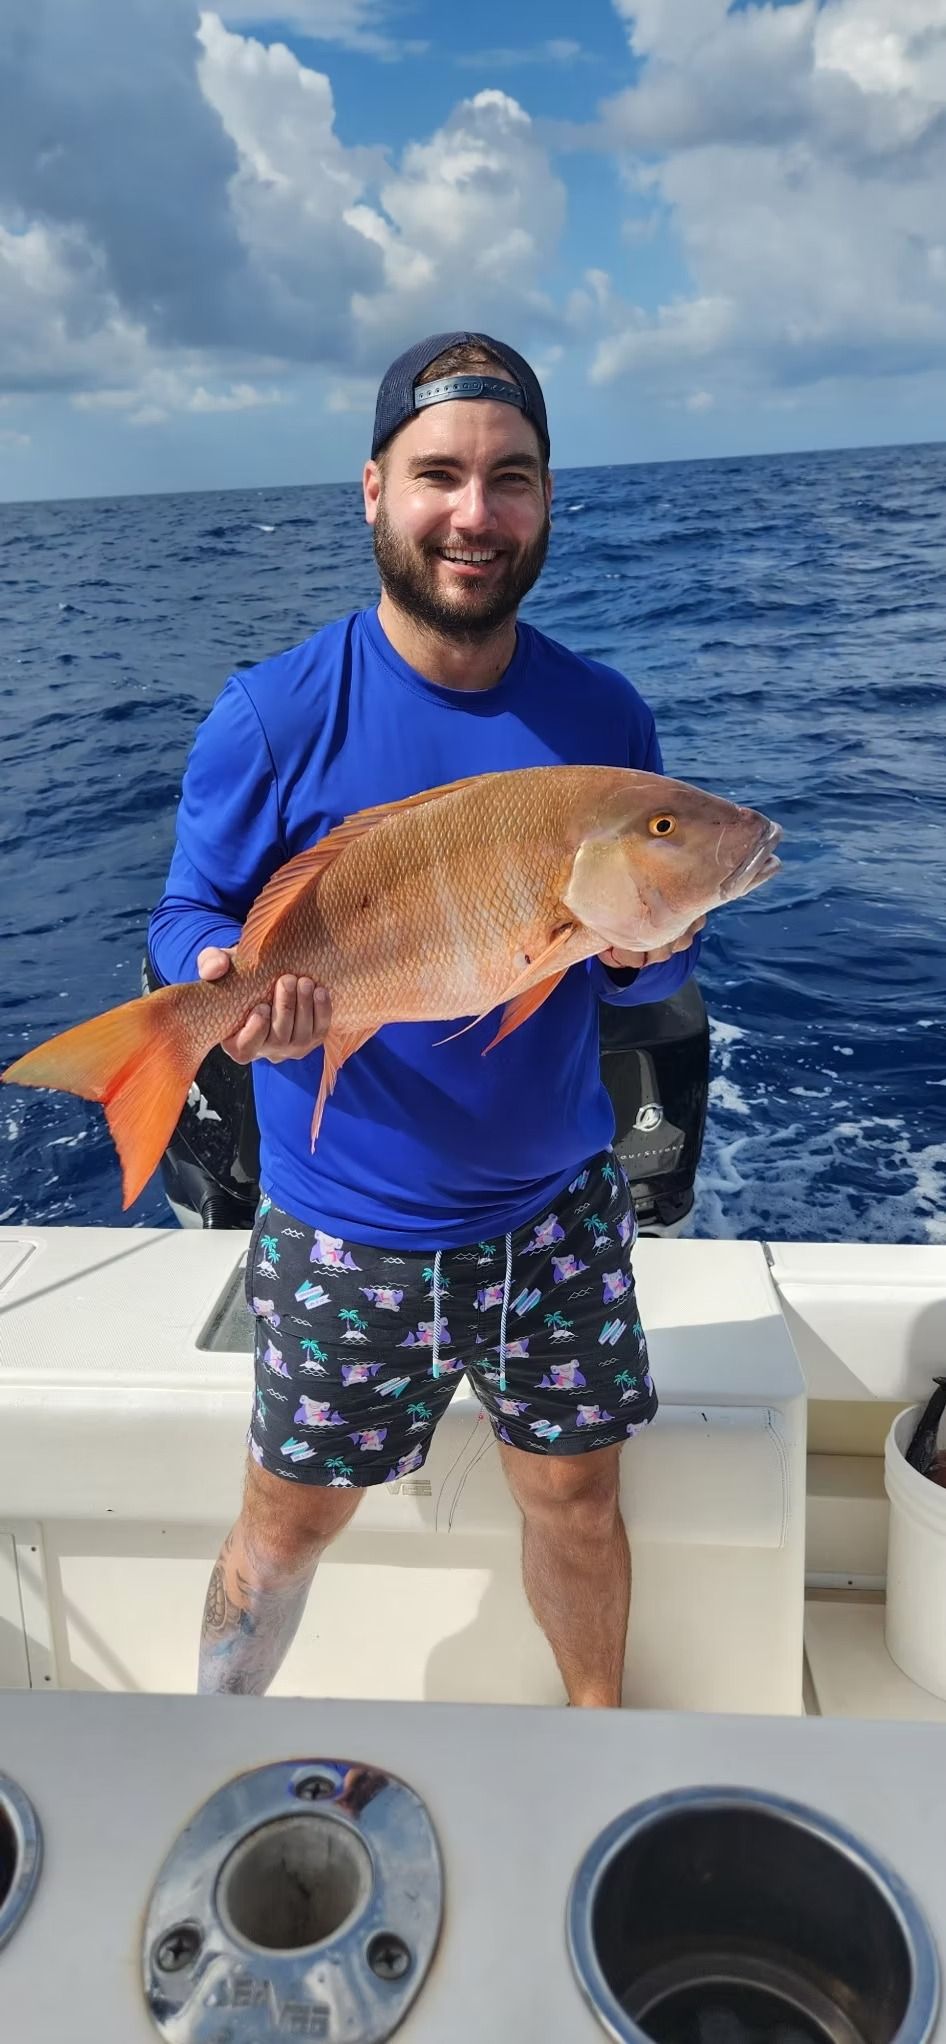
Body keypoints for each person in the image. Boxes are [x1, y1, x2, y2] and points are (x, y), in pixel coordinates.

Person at [148, 330, 704, 1707]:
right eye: (438, 474)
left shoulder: (598, 714)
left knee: (574, 1500)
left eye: (509, 478)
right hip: (349, 1229)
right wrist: (227, 973)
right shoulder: (273, 716)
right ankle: (207, 1729)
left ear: (546, 500)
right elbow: (182, 919)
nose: (474, 513)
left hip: (559, 1216)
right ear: (372, 490)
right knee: (287, 1522)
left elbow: (616, 968)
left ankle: (596, 1735)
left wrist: (645, 953)